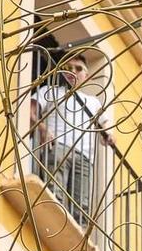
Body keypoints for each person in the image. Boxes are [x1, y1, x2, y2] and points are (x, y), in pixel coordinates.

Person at [29, 52, 98, 218]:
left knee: (81, 206)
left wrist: (109, 136)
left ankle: (79, 242)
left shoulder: (93, 102)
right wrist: (43, 129)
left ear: (86, 75)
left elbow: (106, 128)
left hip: (85, 156)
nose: (72, 71)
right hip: (57, 147)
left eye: (78, 68)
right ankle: (51, 226)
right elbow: (30, 111)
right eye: (68, 67)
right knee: (54, 195)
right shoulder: (50, 91)